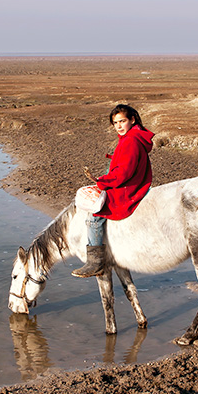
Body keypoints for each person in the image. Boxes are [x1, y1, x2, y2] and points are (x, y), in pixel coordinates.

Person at [71, 104, 155, 278]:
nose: (118, 126)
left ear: (132, 120)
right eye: (115, 123)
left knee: (96, 214)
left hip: (130, 187)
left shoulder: (131, 141)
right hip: (132, 182)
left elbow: (124, 172)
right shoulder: (132, 137)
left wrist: (102, 182)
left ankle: (96, 262)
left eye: (122, 121)